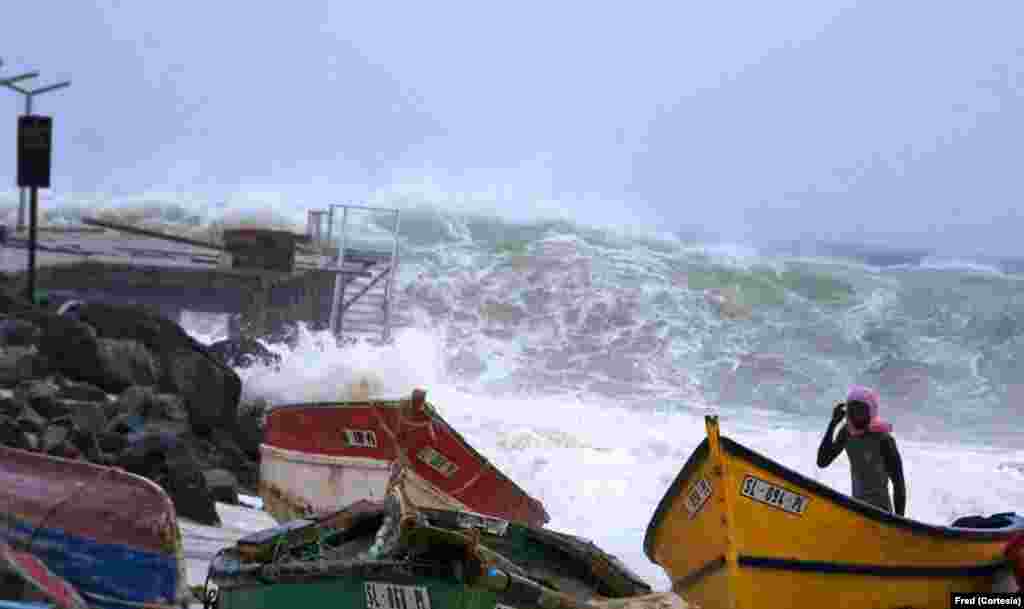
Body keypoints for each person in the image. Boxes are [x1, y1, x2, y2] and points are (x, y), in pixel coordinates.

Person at [817, 385, 906, 516]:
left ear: (872, 412)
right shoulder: (846, 432)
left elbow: (899, 485)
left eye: (862, 412)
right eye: (853, 411)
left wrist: (898, 524)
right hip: (856, 510)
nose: (857, 417)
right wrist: (833, 423)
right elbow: (822, 462)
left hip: (881, 514)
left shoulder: (884, 440)